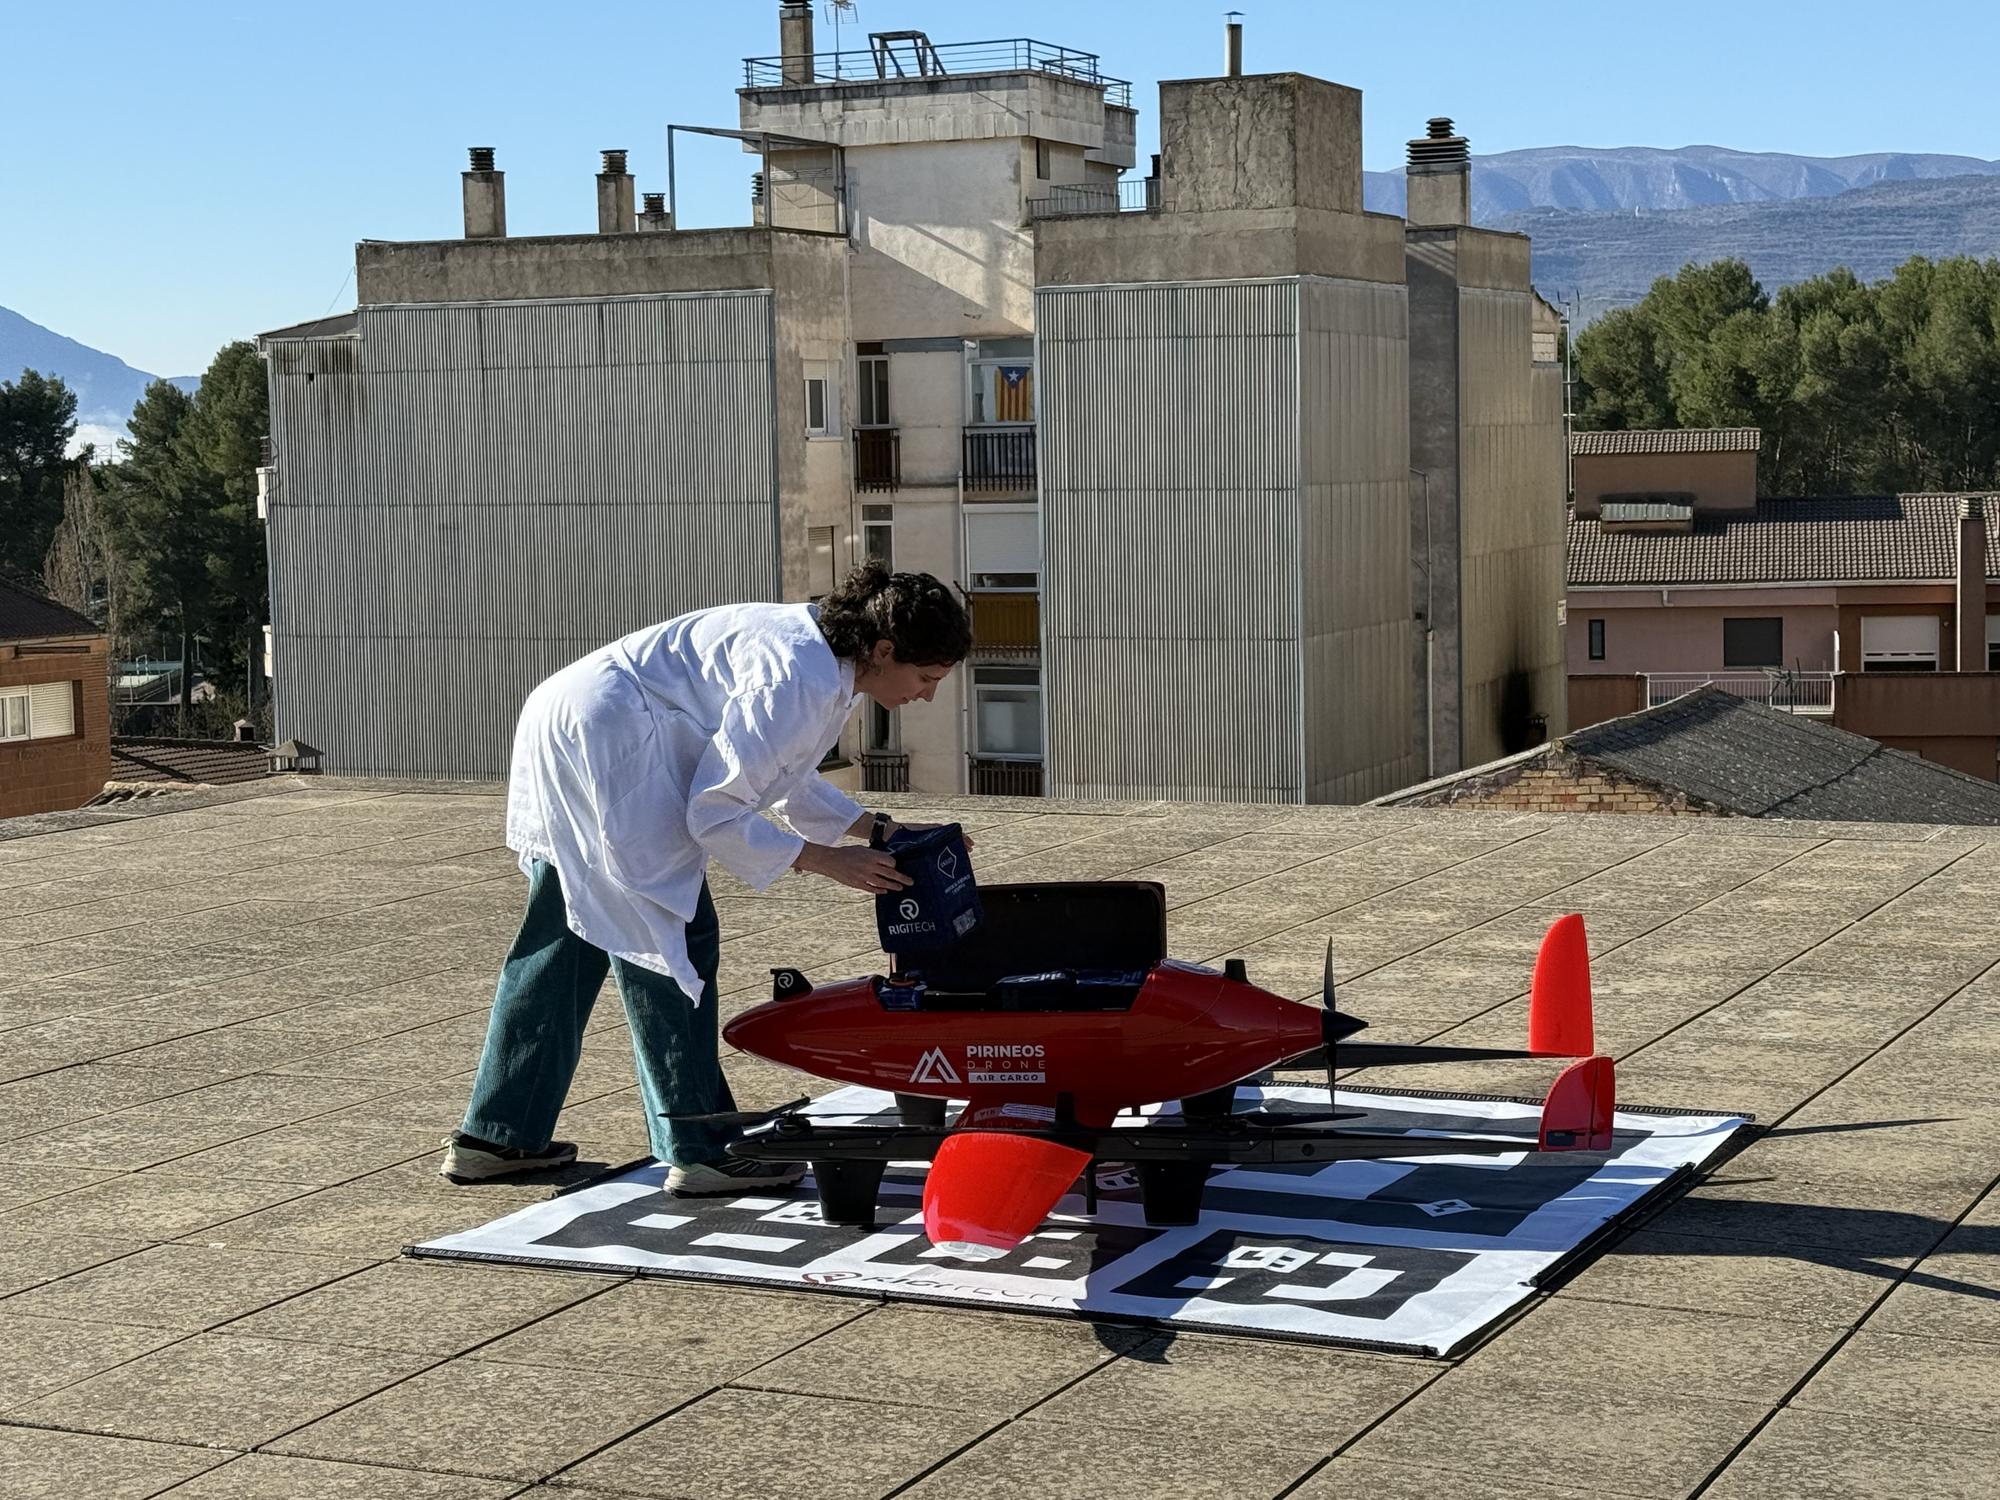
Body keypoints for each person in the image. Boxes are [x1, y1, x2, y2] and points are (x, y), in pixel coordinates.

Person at [440, 565, 972, 1195]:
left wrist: (880, 832)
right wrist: (825, 860)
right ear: (885, 650)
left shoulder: (824, 659)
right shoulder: (797, 677)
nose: (929, 695)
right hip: (614, 740)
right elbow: (715, 810)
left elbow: (784, 776)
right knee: (674, 937)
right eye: (927, 678)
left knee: (568, 937)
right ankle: (700, 1147)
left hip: (575, 717)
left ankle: (498, 1137)